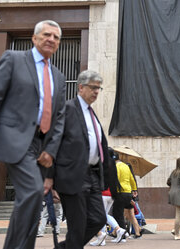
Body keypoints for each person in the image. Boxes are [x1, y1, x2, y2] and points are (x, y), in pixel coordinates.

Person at [0, 20, 67, 249]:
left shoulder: (58, 76)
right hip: (16, 138)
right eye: (47, 34)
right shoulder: (14, 59)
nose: (51, 39)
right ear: (34, 38)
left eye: (56, 37)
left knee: (33, 202)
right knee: (32, 192)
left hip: (41, 148)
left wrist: (51, 150)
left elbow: (59, 118)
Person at [52, 70, 109, 249]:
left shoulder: (91, 114)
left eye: (99, 88)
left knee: (98, 219)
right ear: (81, 87)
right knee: (77, 226)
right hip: (72, 174)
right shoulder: (68, 109)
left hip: (92, 175)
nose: (96, 92)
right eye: (93, 87)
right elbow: (52, 143)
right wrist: (50, 179)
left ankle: (64, 248)